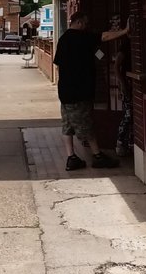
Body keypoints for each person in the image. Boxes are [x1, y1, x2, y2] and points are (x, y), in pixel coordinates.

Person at [54, 11, 130, 171]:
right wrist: (124, 31)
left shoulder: (63, 39)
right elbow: (104, 37)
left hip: (65, 91)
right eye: (85, 23)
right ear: (79, 22)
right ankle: (97, 156)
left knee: (67, 125)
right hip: (80, 91)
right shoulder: (83, 37)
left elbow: (59, 63)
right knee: (86, 124)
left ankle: (71, 157)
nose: (87, 26)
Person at [114, 36, 134, 157]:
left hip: (131, 83)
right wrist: (122, 83)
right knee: (128, 115)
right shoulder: (124, 48)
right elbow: (116, 67)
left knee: (132, 116)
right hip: (127, 84)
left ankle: (130, 143)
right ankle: (120, 142)